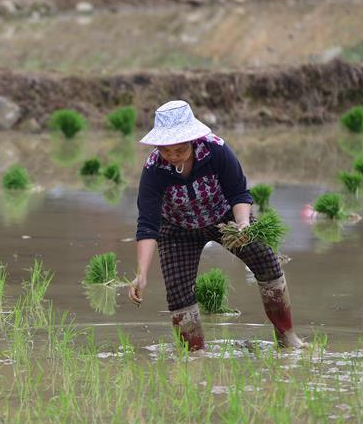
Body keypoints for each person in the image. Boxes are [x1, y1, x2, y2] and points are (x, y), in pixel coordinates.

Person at [128, 100, 305, 350]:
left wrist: (242, 224)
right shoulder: (153, 169)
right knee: (178, 293)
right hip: (177, 229)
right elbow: (147, 224)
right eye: (166, 150)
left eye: (179, 150)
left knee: (267, 262)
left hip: (225, 217)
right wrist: (142, 274)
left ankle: (287, 337)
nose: (172, 156)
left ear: (191, 140)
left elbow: (239, 193)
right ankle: (194, 354)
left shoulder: (216, 150)